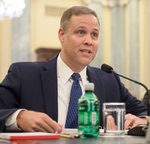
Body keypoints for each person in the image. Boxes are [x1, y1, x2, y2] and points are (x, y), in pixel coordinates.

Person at [0, 6, 148, 133]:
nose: (88, 41)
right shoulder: (24, 74)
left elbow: (143, 112)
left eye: (94, 35)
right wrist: (18, 117)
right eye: (81, 32)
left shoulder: (109, 80)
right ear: (61, 35)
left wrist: (141, 120)